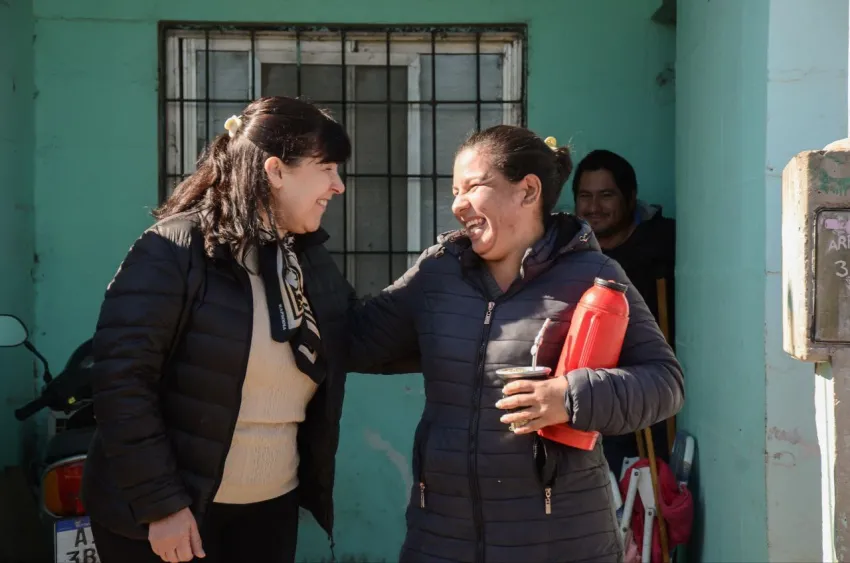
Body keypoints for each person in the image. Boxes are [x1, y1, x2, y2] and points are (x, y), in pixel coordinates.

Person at [348, 125, 684, 563]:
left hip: (561, 544)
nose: (457, 205)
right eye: (455, 192)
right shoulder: (438, 273)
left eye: (473, 187)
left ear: (527, 191)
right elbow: (353, 339)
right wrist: (300, 240)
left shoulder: (592, 275)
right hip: (442, 539)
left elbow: (664, 383)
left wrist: (570, 397)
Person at [82, 96, 354, 563]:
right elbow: (121, 383)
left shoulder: (301, 256)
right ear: (276, 171)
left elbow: (361, 332)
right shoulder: (175, 249)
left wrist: (443, 279)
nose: (338, 186)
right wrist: (162, 506)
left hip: (267, 513)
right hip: (173, 519)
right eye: (326, 168)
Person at [572, 149, 677, 476]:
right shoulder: (569, 253)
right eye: (585, 196)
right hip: (590, 394)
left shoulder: (664, 243)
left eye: (606, 195)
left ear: (630, 198)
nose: (594, 206)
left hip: (649, 392)